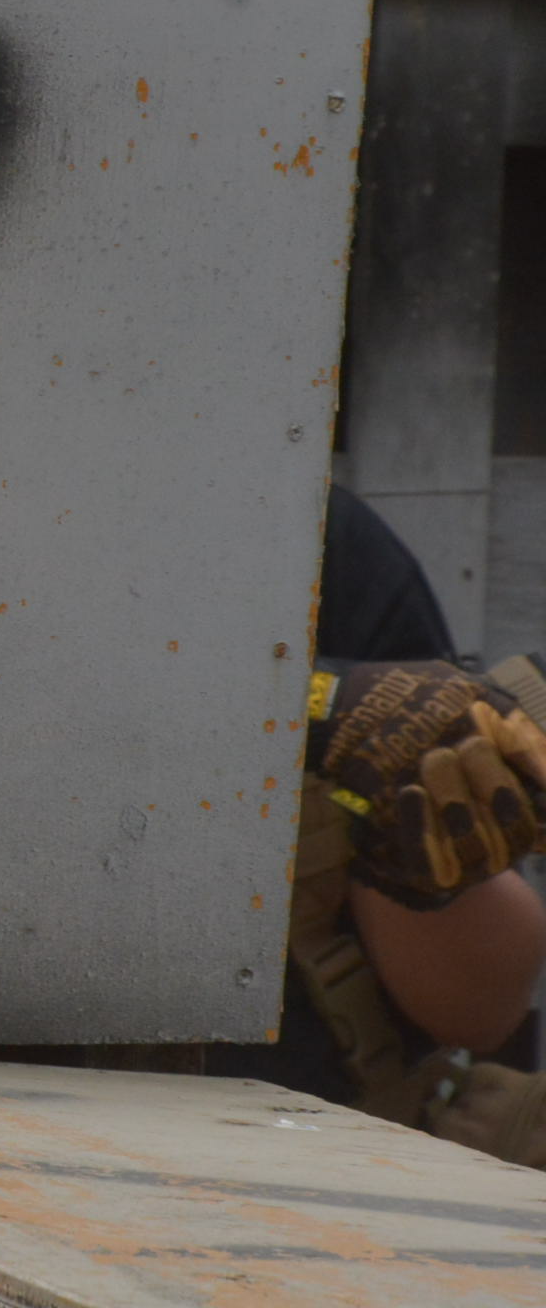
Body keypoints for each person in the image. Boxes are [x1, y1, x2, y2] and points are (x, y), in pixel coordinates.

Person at [209, 485, 546, 1163]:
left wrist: (404, 803)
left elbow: (478, 1009)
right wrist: (314, 703)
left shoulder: (293, 518)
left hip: (300, 1143)